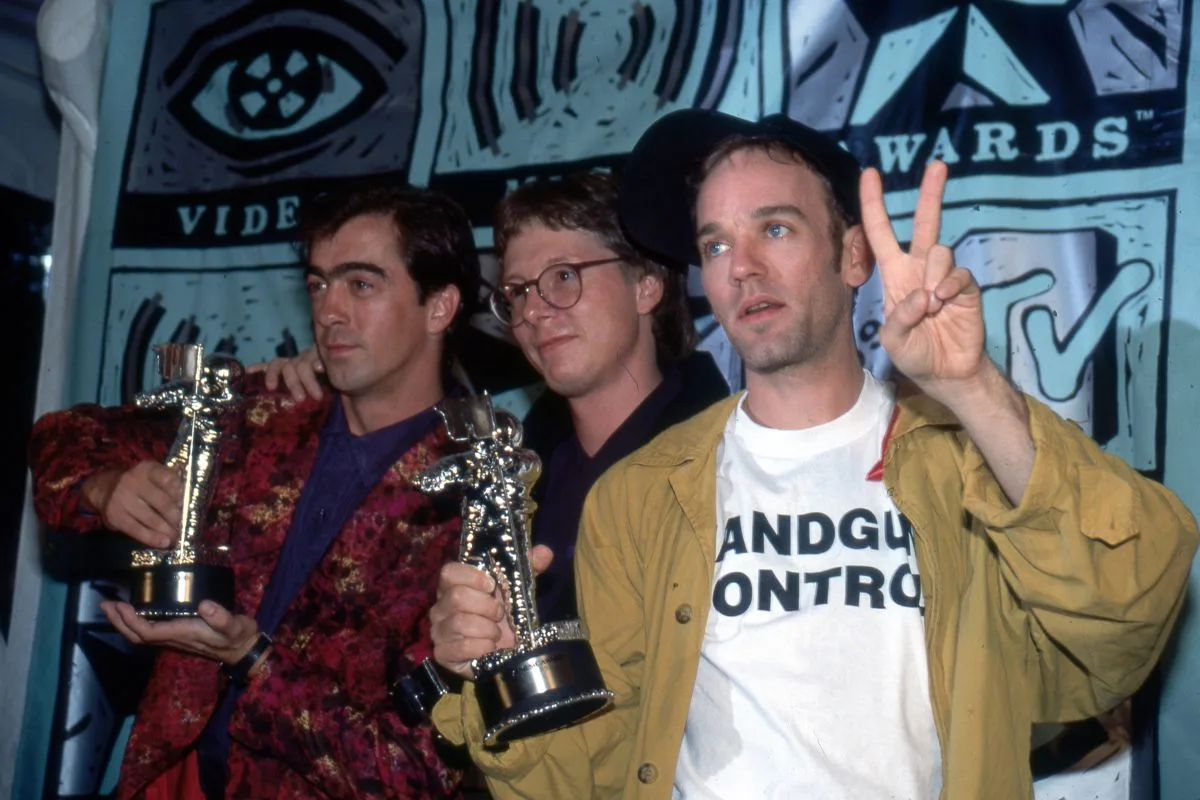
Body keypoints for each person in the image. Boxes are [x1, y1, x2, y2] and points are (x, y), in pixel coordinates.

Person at [424, 111, 1200, 799]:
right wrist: (498, 674)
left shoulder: (961, 460)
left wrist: (971, 387)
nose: (742, 266)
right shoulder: (640, 495)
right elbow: (599, 768)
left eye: (777, 229)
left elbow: (1125, 616)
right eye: (717, 242)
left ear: (854, 257)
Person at [28, 181, 481, 799]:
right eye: (318, 283)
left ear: (440, 307)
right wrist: (104, 488)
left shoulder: (475, 498)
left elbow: (417, 771)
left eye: (361, 284)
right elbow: (63, 436)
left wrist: (253, 660)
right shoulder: (262, 413)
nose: (329, 311)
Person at [267, 171, 729, 624]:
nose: (532, 310)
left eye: (564, 276)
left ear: (646, 284)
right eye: (517, 292)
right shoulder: (508, 474)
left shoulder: (726, 463)